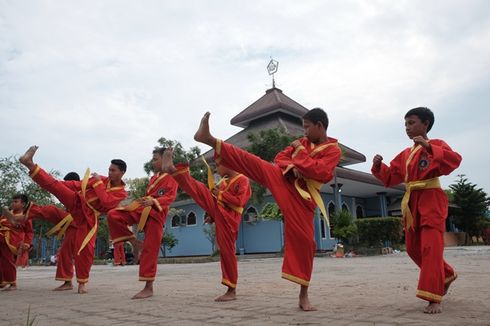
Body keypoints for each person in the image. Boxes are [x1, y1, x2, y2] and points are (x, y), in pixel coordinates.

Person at [193, 109, 341, 311]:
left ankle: (303, 295)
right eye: (303, 127)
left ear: (320, 126)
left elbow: (321, 171)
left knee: (306, 242)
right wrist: (294, 166)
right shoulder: (301, 142)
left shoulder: (333, 149)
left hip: (303, 196)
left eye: (307, 127)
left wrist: (299, 156)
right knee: (254, 163)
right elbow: (280, 158)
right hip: (284, 179)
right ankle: (209, 139)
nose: (304, 132)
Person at [371, 107, 462, 314]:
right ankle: (446, 273)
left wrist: (429, 148)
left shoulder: (437, 144)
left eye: (411, 123)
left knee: (431, 249)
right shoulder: (405, 154)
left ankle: (433, 298)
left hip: (431, 199)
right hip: (412, 203)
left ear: (425, 124)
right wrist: (379, 166)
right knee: (413, 249)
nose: (407, 128)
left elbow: (454, 161)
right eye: (405, 124)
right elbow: (391, 176)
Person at [19, 146, 127, 293]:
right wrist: (56, 184)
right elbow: (77, 184)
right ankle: (29, 163)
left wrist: (97, 184)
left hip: (89, 216)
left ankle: (82, 283)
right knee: (54, 187)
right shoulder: (101, 179)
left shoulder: (121, 193)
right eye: (109, 169)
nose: (109, 172)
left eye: (113, 170)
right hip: (77, 202)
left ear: (122, 173)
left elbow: (106, 202)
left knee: (85, 250)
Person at [162, 149, 251, 301]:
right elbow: (220, 201)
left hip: (230, 218)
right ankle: (175, 172)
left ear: (228, 164)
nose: (216, 169)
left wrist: (219, 194)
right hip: (221, 215)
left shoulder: (243, 180)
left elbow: (239, 202)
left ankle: (231, 290)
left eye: (217, 165)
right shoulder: (224, 182)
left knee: (228, 252)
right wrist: (212, 215)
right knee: (200, 190)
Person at [107, 147, 177, 299]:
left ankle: (148, 287)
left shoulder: (172, 176)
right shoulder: (154, 178)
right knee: (114, 215)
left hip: (156, 214)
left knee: (150, 250)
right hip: (141, 208)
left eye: (155, 159)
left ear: (165, 160)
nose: (153, 163)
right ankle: (134, 242)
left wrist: (154, 201)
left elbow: (170, 197)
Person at [19, 172, 83, 291]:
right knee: (64, 253)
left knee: (51, 210)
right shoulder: (72, 196)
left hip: (78, 224)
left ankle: (71, 282)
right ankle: (69, 281)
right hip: (72, 225)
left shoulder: (81, 194)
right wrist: (59, 229)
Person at [0, 194, 33, 291]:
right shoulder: (6, 214)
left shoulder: (25, 216)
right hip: (2, 237)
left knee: (8, 261)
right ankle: (2, 282)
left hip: (12, 240)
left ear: (23, 204)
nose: (13, 203)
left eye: (16, 202)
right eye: (13, 201)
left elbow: (29, 231)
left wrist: (27, 243)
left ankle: (12, 283)